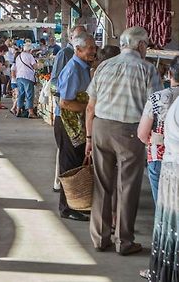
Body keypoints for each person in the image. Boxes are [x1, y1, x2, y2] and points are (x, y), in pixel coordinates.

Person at [86, 26, 162, 255]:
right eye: (146, 45)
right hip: (130, 132)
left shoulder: (105, 66)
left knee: (102, 184)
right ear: (140, 46)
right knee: (127, 187)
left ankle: (100, 238)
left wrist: (89, 136)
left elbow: (91, 105)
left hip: (101, 127)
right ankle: (124, 242)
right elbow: (154, 108)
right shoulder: (147, 69)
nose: (146, 49)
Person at [56, 31, 96, 221]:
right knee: (69, 165)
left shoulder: (83, 67)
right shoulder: (73, 69)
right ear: (78, 49)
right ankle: (66, 207)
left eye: (94, 48)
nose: (93, 51)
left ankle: (77, 203)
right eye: (90, 48)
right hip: (68, 124)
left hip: (77, 124)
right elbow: (65, 103)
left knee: (77, 164)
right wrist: (90, 108)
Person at [138, 57, 179, 204]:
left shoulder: (157, 98)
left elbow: (142, 134)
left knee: (163, 207)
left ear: (169, 74)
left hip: (160, 156)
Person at [147, 96, 179, 281]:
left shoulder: (165, 99)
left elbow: (144, 134)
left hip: (169, 169)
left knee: (170, 230)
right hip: (174, 171)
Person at [14, 42, 38, 118]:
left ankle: (18, 110)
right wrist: (39, 65)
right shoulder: (29, 56)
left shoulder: (18, 56)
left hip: (19, 77)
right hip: (27, 77)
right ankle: (30, 112)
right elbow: (35, 66)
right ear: (30, 50)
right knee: (29, 94)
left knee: (21, 94)